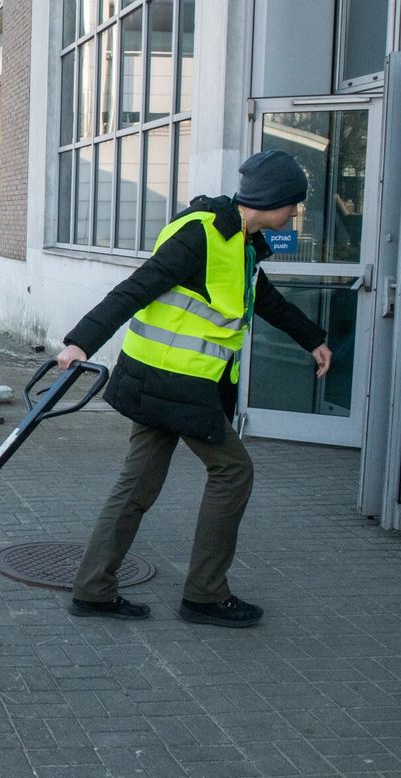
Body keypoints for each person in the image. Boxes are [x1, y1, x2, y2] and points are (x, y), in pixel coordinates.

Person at [56, 149, 333, 628]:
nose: (295, 212)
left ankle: (93, 589)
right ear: (273, 200)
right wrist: (81, 342)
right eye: (293, 203)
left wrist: (313, 339)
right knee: (233, 471)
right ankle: (205, 594)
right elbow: (137, 287)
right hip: (175, 383)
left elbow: (264, 299)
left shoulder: (242, 243)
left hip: (164, 381)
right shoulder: (201, 234)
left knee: (137, 483)